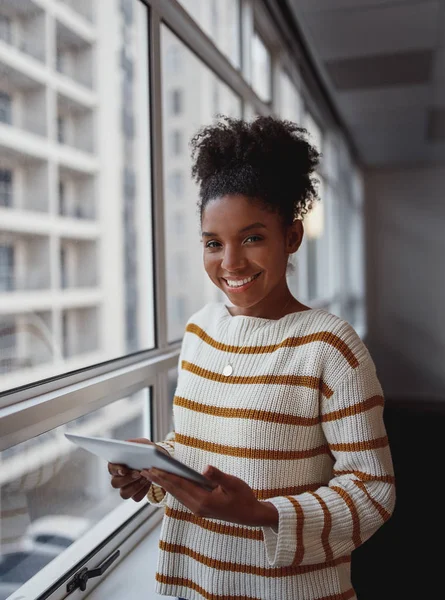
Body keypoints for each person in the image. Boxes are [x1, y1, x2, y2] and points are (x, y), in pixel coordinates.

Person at [108, 115, 396, 600]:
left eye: (253, 237)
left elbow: (373, 492)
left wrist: (260, 514)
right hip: (196, 585)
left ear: (292, 237)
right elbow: (206, 446)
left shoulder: (331, 346)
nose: (231, 263)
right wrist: (157, 466)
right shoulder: (200, 330)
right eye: (213, 243)